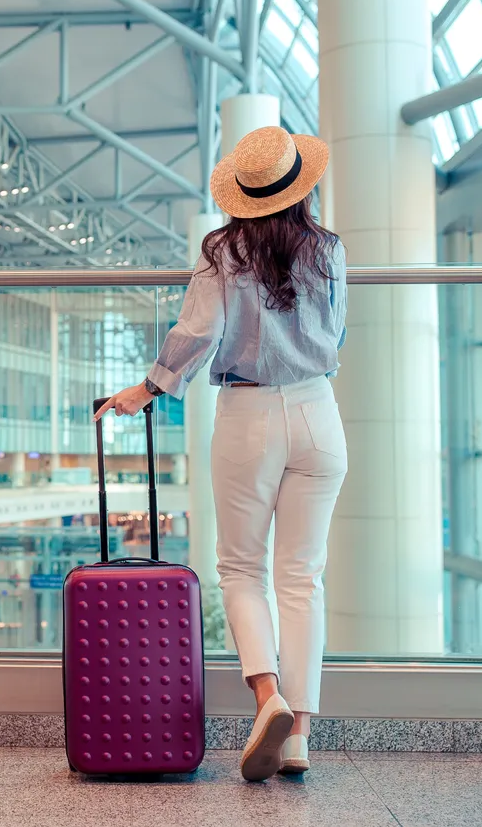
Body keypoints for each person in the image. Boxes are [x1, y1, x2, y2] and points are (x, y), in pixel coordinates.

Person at [96, 126, 346, 782]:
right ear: (299, 188)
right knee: (303, 576)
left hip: (248, 414)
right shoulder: (329, 250)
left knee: (241, 569)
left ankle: (269, 699)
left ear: (244, 193)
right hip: (320, 411)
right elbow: (336, 328)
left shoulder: (222, 252)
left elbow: (197, 329)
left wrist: (149, 387)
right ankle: (301, 736)